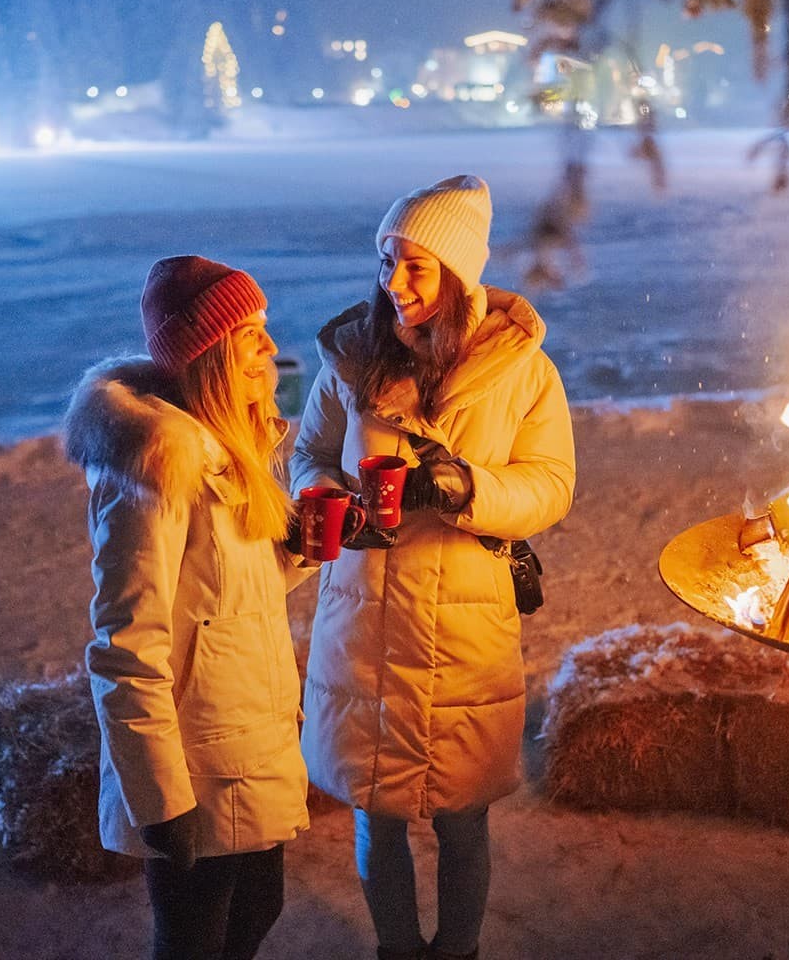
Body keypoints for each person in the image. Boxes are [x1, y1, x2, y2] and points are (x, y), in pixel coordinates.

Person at [290, 175, 576, 960]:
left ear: (460, 274)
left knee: (462, 818)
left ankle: (458, 951)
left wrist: (468, 488)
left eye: (417, 267)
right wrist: (324, 495)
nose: (396, 285)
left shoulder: (522, 371)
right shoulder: (351, 361)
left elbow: (551, 484)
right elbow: (310, 454)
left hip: (466, 622)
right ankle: (395, 950)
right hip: (366, 615)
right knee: (374, 812)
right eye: (387, 263)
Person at [64, 255, 316, 960]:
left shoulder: (227, 450)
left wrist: (301, 553)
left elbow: (222, 599)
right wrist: (161, 799)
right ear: (210, 353)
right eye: (251, 334)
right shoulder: (154, 471)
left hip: (246, 739)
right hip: (196, 764)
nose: (271, 347)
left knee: (260, 908)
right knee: (194, 942)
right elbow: (125, 647)